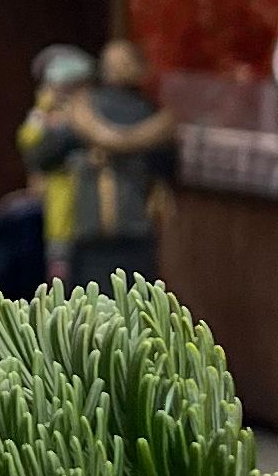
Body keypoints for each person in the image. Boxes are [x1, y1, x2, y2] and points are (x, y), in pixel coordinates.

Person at [26, 39, 177, 291]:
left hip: (97, 234)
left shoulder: (82, 111)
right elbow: (168, 168)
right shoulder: (151, 115)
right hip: (130, 236)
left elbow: (41, 156)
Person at [16, 44, 95, 282]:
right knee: (61, 273)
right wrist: (43, 108)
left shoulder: (91, 113)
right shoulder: (45, 117)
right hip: (60, 211)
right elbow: (28, 142)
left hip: (92, 216)